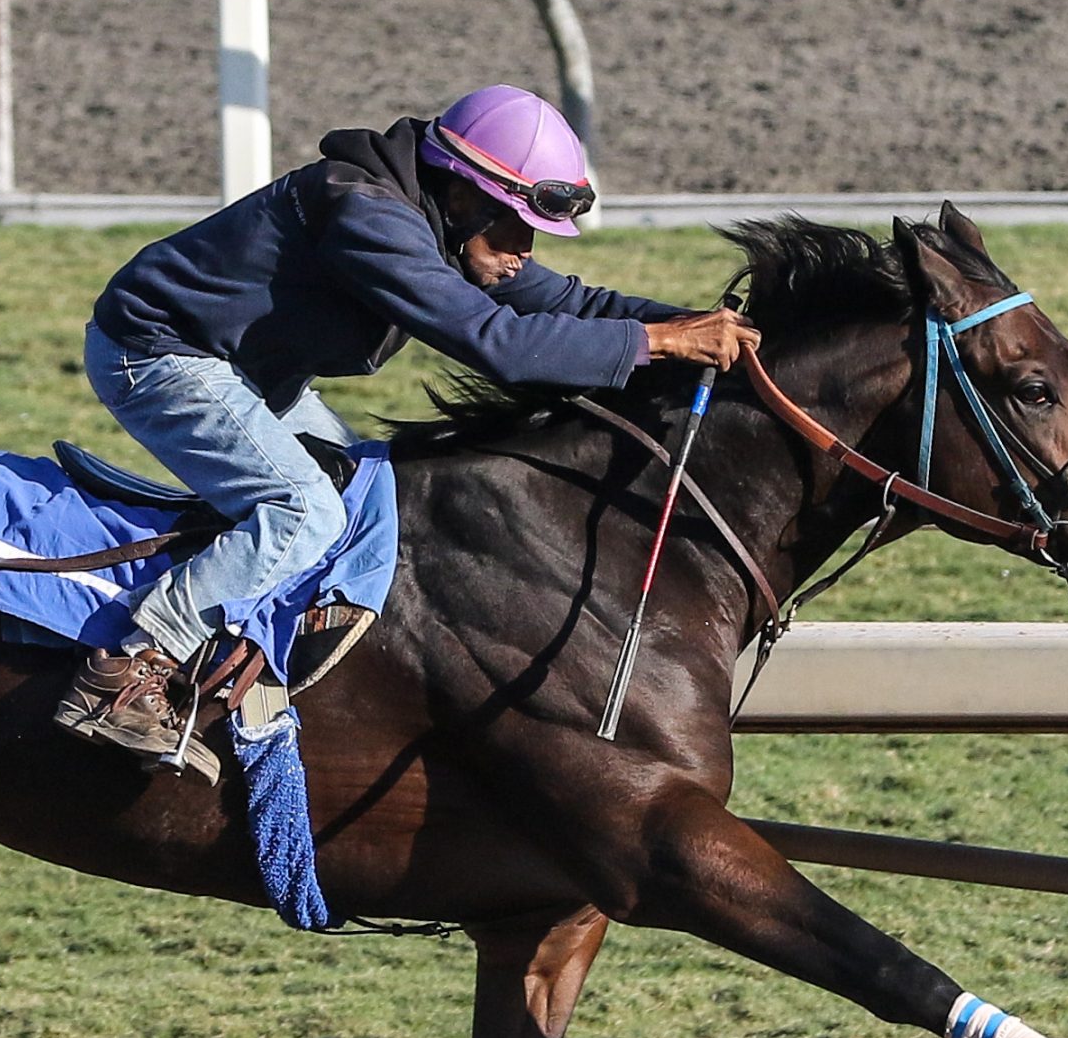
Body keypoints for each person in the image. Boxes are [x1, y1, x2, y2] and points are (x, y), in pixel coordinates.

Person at [55, 83, 760, 771]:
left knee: (367, 500)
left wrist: (704, 327)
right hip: (157, 354)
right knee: (301, 510)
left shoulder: (444, 222)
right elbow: (499, 346)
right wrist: (662, 345)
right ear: (462, 191)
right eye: (514, 224)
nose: (524, 249)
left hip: (251, 375)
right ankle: (126, 671)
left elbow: (577, 303)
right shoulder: (367, 214)